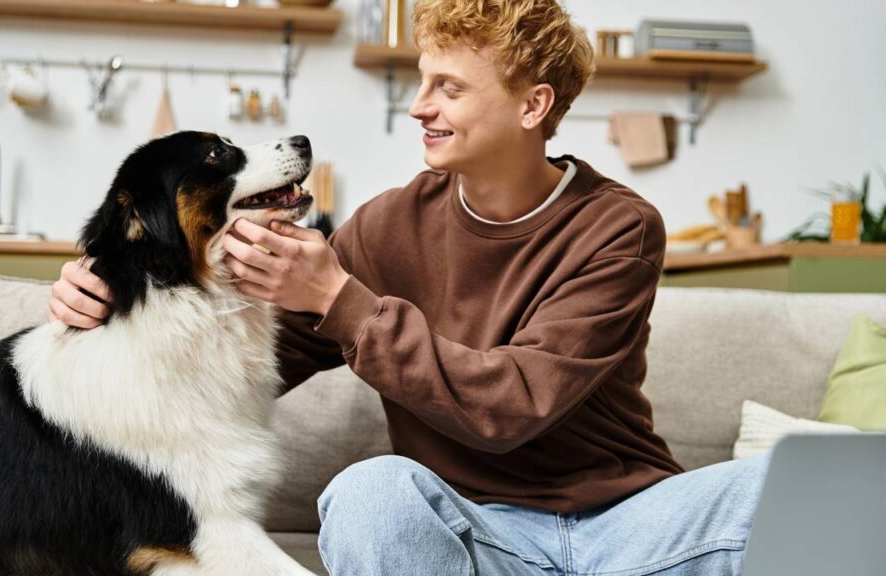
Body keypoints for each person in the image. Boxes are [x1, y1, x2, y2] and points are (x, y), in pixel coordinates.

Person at [49, 1, 770, 574]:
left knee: (783, 486)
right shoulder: (387, 225)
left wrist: (340, 301)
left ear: (532, 106)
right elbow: (237, 367)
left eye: (449, 87)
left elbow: (515, 405)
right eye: (423, 82)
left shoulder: (618, 227)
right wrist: (111, 299)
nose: (419, 106)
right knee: (369, 494)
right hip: (474, 535)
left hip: (627, 532)